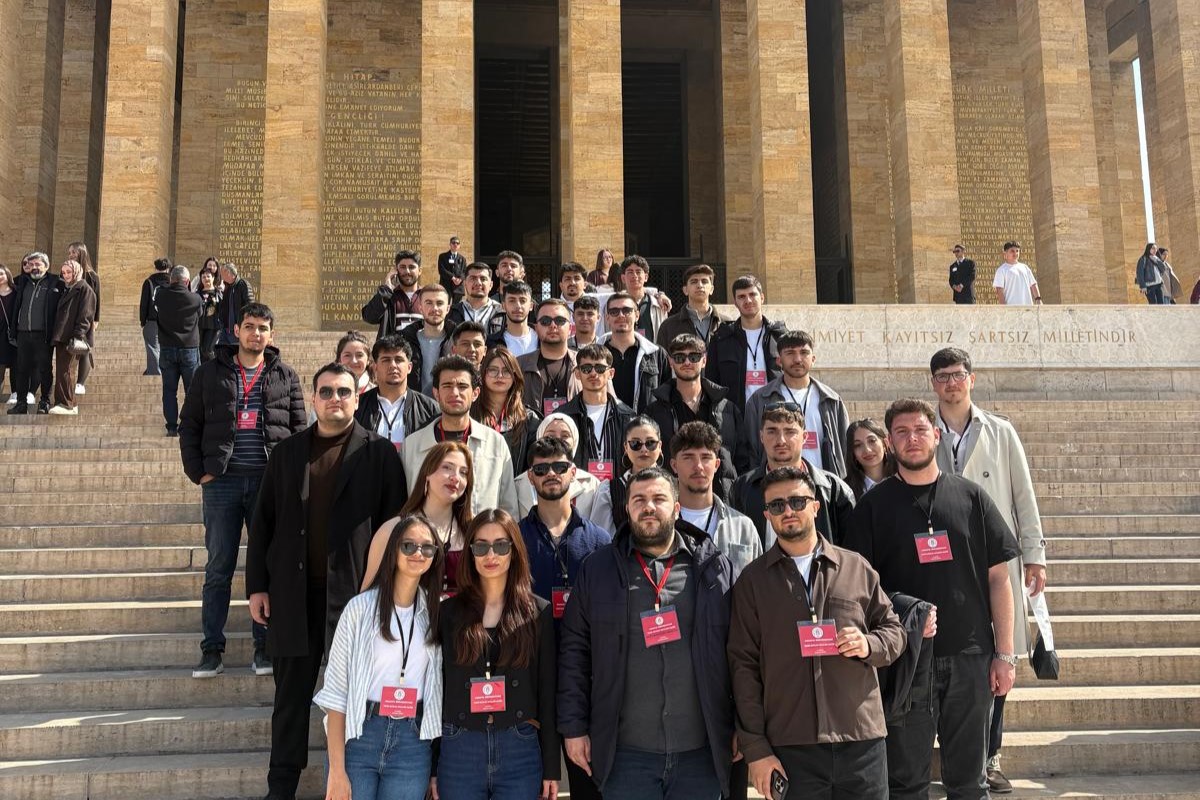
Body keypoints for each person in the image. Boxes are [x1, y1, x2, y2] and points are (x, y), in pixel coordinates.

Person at [844, 398, 1020, 800]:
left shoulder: (972, 498)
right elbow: (859, 589)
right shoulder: (872, 507)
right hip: (906, 661)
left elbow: (999, 579)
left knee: (969, 782)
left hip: (970, 656)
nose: (912, 439)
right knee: (905, 783)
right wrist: (905, 614)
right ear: (890, 442)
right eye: (901, 432)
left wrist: (1005, 654)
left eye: (920, 430)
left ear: (936, 435)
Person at [247, 362, 407, 800]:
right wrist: (257, 586)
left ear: (358, 398)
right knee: (291, 700)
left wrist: (386, 592)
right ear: (313, 398)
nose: (335, 399)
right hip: (293, 597)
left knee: (354, 697)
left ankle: (349, 782)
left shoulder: (378, 454)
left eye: (344, 392)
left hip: (354, 597)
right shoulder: (286, 453)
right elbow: (263, 524)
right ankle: (281, 786)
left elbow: (395, 528)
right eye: (326, 392)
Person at [728, 467, 906, 800]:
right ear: (767, 515)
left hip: (860, 740)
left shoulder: (855, 567)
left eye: (797, 501)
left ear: (815, 506)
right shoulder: (752, 583)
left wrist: (868, 644)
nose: (788, 511)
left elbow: (895, 632)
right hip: (790, 747)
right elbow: (743, 668)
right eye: (777, 506)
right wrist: (757, 748)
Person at [558, 467, 736, 798]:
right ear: (627, 508)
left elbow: (738, 652)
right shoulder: (598, 570)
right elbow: (574, 652)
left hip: (699, 755)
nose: (649, 507)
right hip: (626, 757)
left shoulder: (712, 568)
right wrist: (573, 727)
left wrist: (742, 727)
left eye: (659, 499)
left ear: (677, 507)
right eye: (639, 499)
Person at [929, 348, 1047, 793]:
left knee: (998, 660)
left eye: (958, 375)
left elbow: (1023, 495)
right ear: (933, 383)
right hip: (942, 564)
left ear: (972, 380)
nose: (951, 383)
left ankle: (989, 756)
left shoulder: (1001, 431)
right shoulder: (923, 431)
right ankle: (955, 753)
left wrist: (1034, 554)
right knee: (951, 659)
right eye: (942, 376)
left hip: (996, 559)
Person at [179, 302, 307, 680]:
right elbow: (190, 425)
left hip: (270, 484)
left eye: (263, 328)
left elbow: (300, 431)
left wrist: (293, 481)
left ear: (272, 335)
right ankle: (212, 649)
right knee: (219, 565)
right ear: (236, 330)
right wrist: (197, 472)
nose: (255, 334)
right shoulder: (209, 373)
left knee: (268, 566)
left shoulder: (285, 375)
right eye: (249, 326)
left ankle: (264, 647)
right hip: (222, 482)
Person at [315, 514, 445, 800]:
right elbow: (335, 694)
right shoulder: (359, 610)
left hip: (412, 742)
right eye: (408, 546)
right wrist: (337, 770)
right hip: (360, 736)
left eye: (427, 547)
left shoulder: (437, 614)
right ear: (393, 550)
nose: (418, 553)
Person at [435, 509, 561, 800]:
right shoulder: (448, 613)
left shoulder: (536, 612)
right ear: (470, 554)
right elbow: (436, 691)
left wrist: (551, 767)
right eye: (480, 546)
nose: (490, 555)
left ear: (514, 552)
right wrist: (433, 764)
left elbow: (547, 690)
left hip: (519, 745)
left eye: (501, 545)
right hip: (459, 747)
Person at [519, 436, 611, 800]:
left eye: (559, 467)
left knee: (589, 782)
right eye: (541, 469)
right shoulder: (514, 538)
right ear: (530, 477)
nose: (551, 474)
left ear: (574, 472)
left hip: (585, 678)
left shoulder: (600, 541)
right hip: (530, 674)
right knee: (534, 786)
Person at [400, 355, 519, 515]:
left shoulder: (495, 443)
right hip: (427, 537)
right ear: (436, 393)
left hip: (479, 538)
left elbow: (509, 509)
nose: (455, 393)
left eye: (462, 386)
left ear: (475, 393)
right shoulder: (412, 445)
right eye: (447, 386)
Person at [730, 405, 856, 548]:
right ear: (761, 437)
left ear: (804, 437)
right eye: (772, 431)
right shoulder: (741, 488)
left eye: (790, 432)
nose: (781, 440)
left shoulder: (835, 490)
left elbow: (850, 553)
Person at [365, 442, 474, 597]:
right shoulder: (392, 529)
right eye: (447, 467)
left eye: (463, 472)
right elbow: (367, 597)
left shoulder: (473, 531)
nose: (455, 477)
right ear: (427, 473)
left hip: (461, 621)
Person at [744, 329, 850, 476]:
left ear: (813, 358)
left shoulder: (832, 400)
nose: (798, 359)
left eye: (804, 353)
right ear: (779, 360)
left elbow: (844, 450)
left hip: (823, 486)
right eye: (790, 353)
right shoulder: (759, 400)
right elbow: (753, 452)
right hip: (775, 487)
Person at [648, 333, 749, 486]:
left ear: (704, 360)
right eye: (680, 358)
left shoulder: (727, 409)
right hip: (672, 495)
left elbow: (742, 460)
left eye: (694, 357)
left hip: (721, 495)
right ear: (670, 362)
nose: (687, 362)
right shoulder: (654, 412)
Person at [669, 421, 761, 573]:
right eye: (688, 457)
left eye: (705, 457)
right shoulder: (663, 525)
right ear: (674, 465)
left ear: (717, 464)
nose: (698, 466)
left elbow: (756, 587)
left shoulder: (743, 527)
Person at [706, 275, 788, 411]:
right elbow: (712, 383)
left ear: (762, 297)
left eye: (752, 294)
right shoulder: (721, 339)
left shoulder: (780, 336)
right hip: (735, 417)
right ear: (735, 302)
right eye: (742, 297)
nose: (748, 300)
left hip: (776, 415)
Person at [559, 343, 636, 482]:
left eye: (600, 368)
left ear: (611, 373)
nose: (593, 373)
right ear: (577, 373)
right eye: (586, 368)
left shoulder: (628, 417)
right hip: (578, 492)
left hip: (618, 493)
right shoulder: (563, 417)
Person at [354, 335, 439, 451]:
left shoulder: (430, 409)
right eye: (386, 360)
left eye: (399, 360)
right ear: (375, 367)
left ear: (409, 367)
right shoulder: (357, 406)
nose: (393, 365)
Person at [514, 413, 604, 523]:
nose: (557, 440)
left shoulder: (592, 484)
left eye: (565, 435)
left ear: (574, 441)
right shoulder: (518, 484)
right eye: (550, 435)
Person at [592, 415, 666, 533]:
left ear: (660, 446)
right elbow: (601, 539)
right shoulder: (609, 490)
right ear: (626, 447)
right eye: (636, 443)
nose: (644, 449)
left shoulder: (673, 485)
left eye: (650, 443)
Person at [473, 347, 542, 475]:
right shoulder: (470, 414)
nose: (500, 376)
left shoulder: (528, 419)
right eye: (493, 370)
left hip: (515, 491)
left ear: (515, 376)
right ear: (483, 374)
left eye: (506, 371)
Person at [9, 252, 63, 415]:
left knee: (44, 369)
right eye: (31, 265)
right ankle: (21, 403)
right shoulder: (22, 282)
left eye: (38, 264)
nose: (34, 268)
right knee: (22, 370)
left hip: (43, 335)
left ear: (46, 266)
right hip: (23, 333)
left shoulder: (56, 283)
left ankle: (45, 401)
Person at [154, 265, 203, 435]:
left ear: (171, 279)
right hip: (189, 348)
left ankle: (172, 427)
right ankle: (190, 425)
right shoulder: (195, 299)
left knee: (169, 390)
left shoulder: (161, 295)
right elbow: (200, 315)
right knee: (192, 390)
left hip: (167, 348)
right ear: (187, 281)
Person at [603, 291, 669, 413]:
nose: (621, 315)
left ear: (637, 315)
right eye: (614, 312)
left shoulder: (657, 354)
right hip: (607, 427)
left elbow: (667, 397)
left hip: (645, 425)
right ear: (607, 318)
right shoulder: (596, 355)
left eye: (627, 310)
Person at [48, 259, 97, 415]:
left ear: (76, 271)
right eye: (63, 272)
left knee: (66, 370)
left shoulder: (84, 289)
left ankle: (66, 403)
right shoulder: (68, 288)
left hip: (72, 336)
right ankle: (69, 402)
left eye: (69, 272)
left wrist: (78, 335)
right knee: (63, 369)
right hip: (63, 335)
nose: (66, 275)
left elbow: (86, 315)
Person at [520, 298, 581, 416]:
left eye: (560, 320)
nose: (553, 325)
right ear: (536, 328)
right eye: (545, 321)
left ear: (570, 328)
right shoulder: (519, 365)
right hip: (531, 433)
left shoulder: (585, 364)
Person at [400, 284, 456, 397]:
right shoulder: (405, 340)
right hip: (415, 406)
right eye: (429, 303)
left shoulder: (457, 339)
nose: (434, 308)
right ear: (420, 308)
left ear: (448, 308)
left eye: (439, 303)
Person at [656, 263, 725, 348]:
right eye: (694, 281)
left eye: (704, 281)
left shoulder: (726, 324)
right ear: (685, 290)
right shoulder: (668, 326)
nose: (700, 285)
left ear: (711, 289)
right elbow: (661, 359)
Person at [363, 250, 423, 338]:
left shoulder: (427, 296)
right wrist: (387, 289)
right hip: (394, 350)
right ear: (396, 270)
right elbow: (369, 317)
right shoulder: (388, 296)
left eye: (411, 267)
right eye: (402, 267)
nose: (407, 271)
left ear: (420, 271)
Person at [67, 242, 99, 395]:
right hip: (69, 317)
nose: (71, 255)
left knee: (85, 348)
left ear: (81, 253)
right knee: (70, 348)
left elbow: (97, 298)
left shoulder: (92, 276)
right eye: (69, 253)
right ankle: (69, 380)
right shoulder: (66, 273)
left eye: (74, 252)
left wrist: (96, 319)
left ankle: (80, 383)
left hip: (86, 317)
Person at [617, 255, 669, 341]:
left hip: (652, 352)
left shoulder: (658, 305)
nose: (634, 276)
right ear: (623, 278)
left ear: (646, 277)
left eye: (638, 272)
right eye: (630, 272)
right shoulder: (615, 304)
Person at [844, 418, 897, 500]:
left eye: (872, 441)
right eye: (858, 445)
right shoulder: (845, 490)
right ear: (852, 453)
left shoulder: (904, 479)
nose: (867, 450)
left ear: (885, 443)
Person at [446, 261, 503, 334]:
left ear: (491, 285)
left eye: (483, 279)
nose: (478, 283)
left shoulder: (502, 312)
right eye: (473, 278)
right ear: (464, 283)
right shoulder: (451, 312)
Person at [139, 256, 172, 375]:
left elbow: (144, 303)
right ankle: (160, 370)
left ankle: (156, 372)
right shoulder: (173, 282)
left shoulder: (149, 282)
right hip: (170, 321)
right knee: (166, 347)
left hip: (152, 319)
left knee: (152, 346)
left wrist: (143, 321)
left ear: (155, 268)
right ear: (168, 268)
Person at [488, 280, 538, 357]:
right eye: (512, 301)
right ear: (503, 306)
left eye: (522, 301)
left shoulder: (542, 339)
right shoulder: (492, 342)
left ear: (531, 306)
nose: (518, 306)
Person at [217, 262, 256, 345]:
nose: (220, 275)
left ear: (228, 273)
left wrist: (243, 325)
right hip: (225, 329)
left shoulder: (243, 284)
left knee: (236, 354)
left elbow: (250, 307)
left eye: (222, 272)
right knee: (223, 354)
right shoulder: (226, 286)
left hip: (237, 330)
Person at [335, 331, 375, 395]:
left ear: (368, 360)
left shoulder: (378, 393)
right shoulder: (329, 390)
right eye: (347, 355)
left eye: (359, 355)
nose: (354, 361)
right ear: (339, 359)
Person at [197, 268, 223, 362]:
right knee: (200, 352)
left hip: (214, 327)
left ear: (213, 278)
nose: (206, 278)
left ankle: (214, 371)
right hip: (200, 327)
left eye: (208, 276)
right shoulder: (197, 294)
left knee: (209, 350)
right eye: (203, 277)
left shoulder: (219, 293)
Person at [0, 266, 16, 401]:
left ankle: (15, 392)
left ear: (7, 274)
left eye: (1, 274)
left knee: (15, 363)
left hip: (13, 333)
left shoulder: (16, 291)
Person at [438, 235, 467, 300]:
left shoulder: (463, 259)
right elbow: (441, 270)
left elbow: (465, 271)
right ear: (450, 244)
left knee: (457, 307)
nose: (455, 244)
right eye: (453, 243)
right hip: (446, 285)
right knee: (444, 305)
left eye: (457, 243)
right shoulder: (443, 256)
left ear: (459, 246)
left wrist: (460, 279)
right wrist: (453, 278)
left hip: (458, 287)